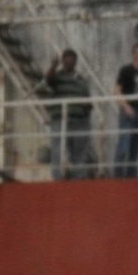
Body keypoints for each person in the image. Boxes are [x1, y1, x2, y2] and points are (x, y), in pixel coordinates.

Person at [45, 49, 92, 180]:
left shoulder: (81, 79)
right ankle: (58, 177)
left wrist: (86, 115)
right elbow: (48, 80)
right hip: (61, 119)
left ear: (76, 62)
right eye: (67, 59)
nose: (70, 61)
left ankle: (79, 178)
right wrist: (53, 66)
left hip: (79, 120)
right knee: (57, 150)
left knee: (79, 151)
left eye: (72, 59)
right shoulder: (57, 77)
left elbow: (87, 100)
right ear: (63, 61)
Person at [113, 42, 138, 178]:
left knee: (136, 148)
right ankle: (118, 178)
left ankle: (132, 178)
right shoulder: (126, 70)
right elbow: (117, 91)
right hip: (129, 113)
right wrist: (126, 107)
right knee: (124, 146)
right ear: (134, 54)